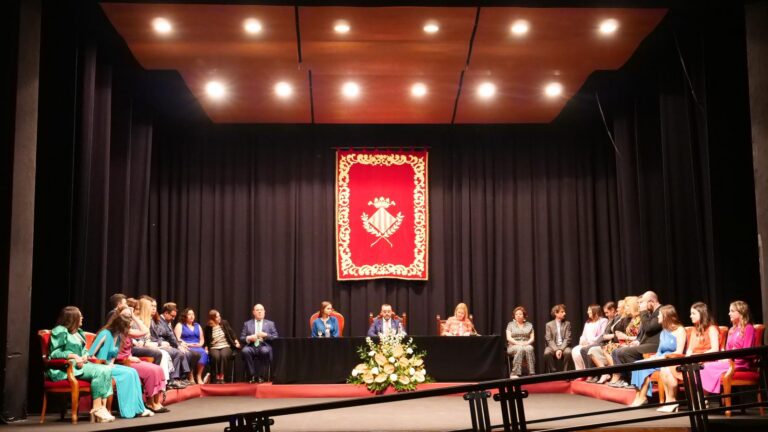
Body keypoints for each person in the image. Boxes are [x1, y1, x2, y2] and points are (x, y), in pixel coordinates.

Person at [48, 306, 115, 423]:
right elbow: (55, 353)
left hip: (81, 364)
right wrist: (74, 356)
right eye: (80, 316)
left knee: (106, 369)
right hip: (65, 367)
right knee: (98, 371)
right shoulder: (60, 331)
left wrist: (84, 356)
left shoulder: (78, 332)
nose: (82, 318)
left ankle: (102, 408)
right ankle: (97, 408)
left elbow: (83, 350)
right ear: (72, 318)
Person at [656, 301, 720, 412]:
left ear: (702, 313)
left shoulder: (712, 329)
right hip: (693, 360)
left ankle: (699, 400)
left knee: (693, 370)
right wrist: (688, 357)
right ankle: (672, 402)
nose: (690, 316)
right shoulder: (694, 330)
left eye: (693, 313)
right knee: (666, 368)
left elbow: (715, 349)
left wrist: (698, 356)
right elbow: (689, 349)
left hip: (706, 360)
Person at [89, 313, 154, 419]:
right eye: (128, 326)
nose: (129, 329)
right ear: (120, 325)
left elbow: (113, 356)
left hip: (110, 365)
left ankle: (138, 408)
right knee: (127, 373)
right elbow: (91, 354)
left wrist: (111, 364)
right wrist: (104, 365)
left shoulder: (118, 337)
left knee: (133, 372)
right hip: (100, 366)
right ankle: (129, 410)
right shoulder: (105, 333)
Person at [629, 305, 686, 407]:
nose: (658, 317)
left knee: (643, 366)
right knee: (637, 364)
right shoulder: (663, 331)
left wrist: (664, 357)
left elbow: (679, 351)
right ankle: (639, 395)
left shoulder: (680, 330)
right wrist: (654, 357)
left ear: (666, 316)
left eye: (660, 315)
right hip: (660, 358)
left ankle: (643, 397)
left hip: (671, 360)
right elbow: (659, 351)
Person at [117, 305, 169, 413]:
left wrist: (134, 317)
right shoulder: (117, 331)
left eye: (130, 316)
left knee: (158, 369)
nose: (129, 317)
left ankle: (156, 402)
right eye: (127, 315)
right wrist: (129, 358)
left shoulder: (128, 331)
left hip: (130, 360)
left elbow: (145, 330)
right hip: (123, 362)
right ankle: (150, 402)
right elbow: (112, 353)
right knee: (151, 371)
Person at [699, 300, 755, 395]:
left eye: (732, 311)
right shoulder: (732, 330)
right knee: (702, 367)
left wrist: (732, 356)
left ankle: (705, 399)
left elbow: (748, 351)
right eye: (730, 311)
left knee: (706, 367)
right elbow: (728, 350)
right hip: (730, 361)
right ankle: (704, 400)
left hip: (740, 363)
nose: (729, 313)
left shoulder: (748, 328)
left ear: (741, 312)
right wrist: (725, 358)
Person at [609, 291, 663, 388]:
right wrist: (638, 341)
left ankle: (637, 382)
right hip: (646, 344)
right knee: (618, 351)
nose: (641, 306)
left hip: (656, 345)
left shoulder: (661, 311)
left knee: (625, 352)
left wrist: (643, 312)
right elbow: (645, 332)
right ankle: (627, 379)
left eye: (642, 303)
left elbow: (649, 328)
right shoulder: (651, 313)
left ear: (651, 302)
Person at [151, 302, 197, 386]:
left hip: (169, 344)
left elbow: (173, 337)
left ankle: (182, 377)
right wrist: (178, 346)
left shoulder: (167, 321)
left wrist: (180, 344)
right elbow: (164, 336)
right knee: (179, 353)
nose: (173, 318)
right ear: (166, 313)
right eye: (172, 316)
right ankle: (174, 379)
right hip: (161, 344)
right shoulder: (159, 321)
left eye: (174, 316)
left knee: (190, 353)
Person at [604, 296, 641, 385]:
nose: (625, 308)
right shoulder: (632, 318)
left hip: (635, 344)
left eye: (627, 306)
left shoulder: (640, 319)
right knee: (609, 349)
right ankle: (617, 375)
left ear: (633, 306)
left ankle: (621, 377)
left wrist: (625, 337)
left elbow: (639, 337)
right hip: (628, 343)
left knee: (615, 350)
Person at [583, 301, 623, 382]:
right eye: (605, 313)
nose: (606, 315)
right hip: (604, 342)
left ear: (612, 310)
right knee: (586, 349)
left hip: (611, 343)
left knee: (590, 348)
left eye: (607, 312)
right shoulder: (610, 320)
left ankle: (597, 374)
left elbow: (614, 334)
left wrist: (609, 336)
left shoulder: (617, 319)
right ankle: (596, 373)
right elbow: (604, 335)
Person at [240, 304, 279, 383]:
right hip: (251, 346)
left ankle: (261, 376)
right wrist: (249, 338)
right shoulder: (247, 324)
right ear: (253, 312)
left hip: (264, 345)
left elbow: (276, 337)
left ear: (264, 312)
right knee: (245, 351)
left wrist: (266, 335)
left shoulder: (270, 324)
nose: (260, 312)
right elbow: (242, 338)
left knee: (265, 351)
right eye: (257, 310)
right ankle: (252, 376)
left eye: (261, 310)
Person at [204, 309, 240, 383]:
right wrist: (206, 347)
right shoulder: (208, 327)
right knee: (215, 356)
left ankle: (222, 376)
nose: (219, 317)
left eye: (219, 316)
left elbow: (231, 333)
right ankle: (215, 377)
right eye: (217, 317)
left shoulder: (224, 323)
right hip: (214, 347)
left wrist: (236, 341)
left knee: (223, 355)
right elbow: (207, 340)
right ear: (212, 319)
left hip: (225, 345)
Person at [175, 308, 209, 384]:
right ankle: (190, 375)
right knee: (191, 354)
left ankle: (199, 376)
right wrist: (188, 344)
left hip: (197, 346)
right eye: (189, 314)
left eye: (193, 314)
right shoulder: (180, 325)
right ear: (185, 316)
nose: (191, 316)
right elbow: (177, 338)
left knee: (203, 352)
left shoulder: (197, 326)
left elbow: (202, 339)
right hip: (186, 346)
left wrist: (199, 344)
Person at [571, 304, 608, 371]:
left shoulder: (603, 321)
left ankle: (587, 371)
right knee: (575, 350)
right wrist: (582, 341)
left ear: (595, 311)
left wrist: (590, 342)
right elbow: (583, 335)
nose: (588, 312)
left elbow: (602, 335)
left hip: (596, 343)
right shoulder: (587, 323)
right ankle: (579, 372)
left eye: (589, 310)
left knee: (583, 350)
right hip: (586, 343)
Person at [506, 306, 535, 378]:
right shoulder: (510, 325)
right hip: (513, 345)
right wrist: (518, 343)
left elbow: (532, 338)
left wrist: (526, 343)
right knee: (520, 348)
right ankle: (514, 373)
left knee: (530, 348)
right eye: (516, 314)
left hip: (526, 344)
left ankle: (531, 372)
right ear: (514, 316)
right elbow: (508, 338)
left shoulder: (529, 325)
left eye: (520, 314)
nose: (518, 315)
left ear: (524, 315)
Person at [543, 304, 573, 373]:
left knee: (568, 352)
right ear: (556, 313)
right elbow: (549, 339)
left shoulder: (567, 324)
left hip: (564, 346)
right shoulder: (549, 325)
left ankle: (566, 373)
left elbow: (567, 338)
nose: (564, 313)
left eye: (564, 312)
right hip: (552, 346)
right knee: (547, 353)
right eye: (562, 312)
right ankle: (553, 372)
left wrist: (560, 349)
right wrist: (556, 349)